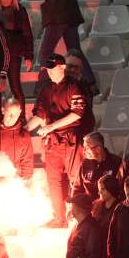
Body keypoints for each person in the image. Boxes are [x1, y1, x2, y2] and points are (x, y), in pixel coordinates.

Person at [27, 53, 93, 227]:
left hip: (71, 139)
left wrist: (51, 126)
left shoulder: (75, 86)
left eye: (53, 68)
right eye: (47, 69)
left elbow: (77, 113)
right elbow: (39, 114)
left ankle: (81, 216)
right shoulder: (46, 88)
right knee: (53, 180)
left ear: (62, 67)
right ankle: (59, 218)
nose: (49, 72)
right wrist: (24, 130)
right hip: (52, 142)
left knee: (76, 179)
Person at [36, 0, 94, 87]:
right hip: (70, 14)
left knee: (46, 51)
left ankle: (43, 84)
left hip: (57, 14)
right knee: (75, 50)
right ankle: (90, 83)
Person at [0, 0, 33, 117]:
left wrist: (29, 55)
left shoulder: (19, 11)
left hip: (14, 52)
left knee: (15, 86)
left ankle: (21, 118)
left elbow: (27, 34)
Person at [0, 98, 33, 179]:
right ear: (3, 110)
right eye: (9, 114)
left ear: (20, 112)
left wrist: (25, 181)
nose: (12, 118)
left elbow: (27, 162)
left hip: (14, 182)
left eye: (16, 115)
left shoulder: (24, 135)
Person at [71, 132, 122, 200]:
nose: (84, 151)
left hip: (107, 206)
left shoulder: (116, 162)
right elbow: (77, 188)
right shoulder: (85, 164)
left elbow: (121, 189)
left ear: (98, 149)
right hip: (87, 206)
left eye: (87, 148)